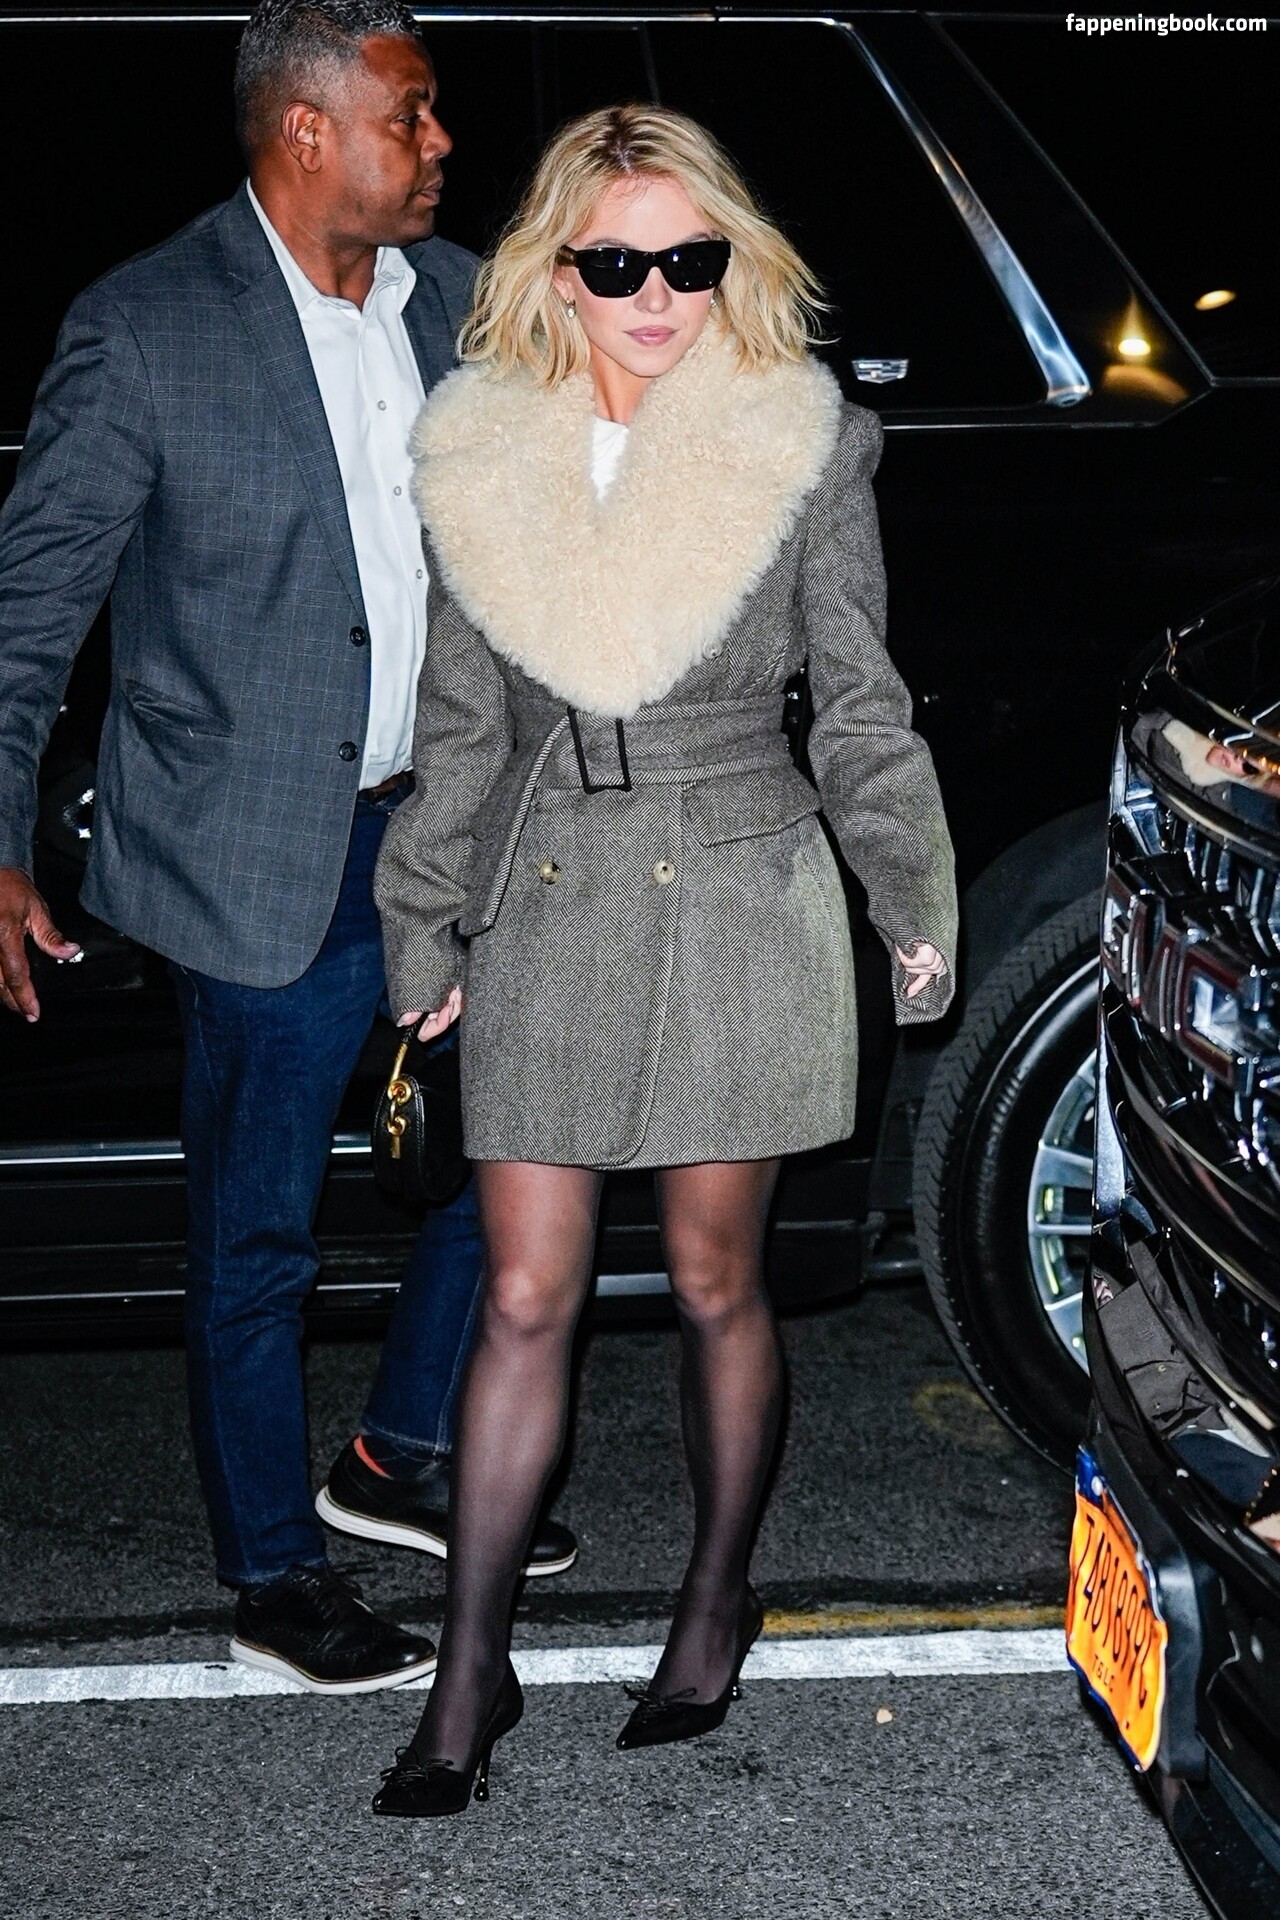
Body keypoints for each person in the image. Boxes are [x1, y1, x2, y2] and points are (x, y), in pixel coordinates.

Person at [369, 103, 957, 1815]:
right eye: (617, 264)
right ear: (555, 271)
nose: (656, 297)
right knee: (523, 1294)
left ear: (728, 262)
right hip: (552, 891)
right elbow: (459, 729)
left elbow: (859, 701)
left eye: (689, 261)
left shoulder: (800, 442)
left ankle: (714, 1599)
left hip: (743, 889)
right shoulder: (479, 452)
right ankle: (470, 1668)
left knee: (715, 1285)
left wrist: (911, 899)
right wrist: (426, 921)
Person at [0, 0, 574, 1697]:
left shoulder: (462, 301)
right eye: (414, 114)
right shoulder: (146, 328)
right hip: (257, 854)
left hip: (447, 833)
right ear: (307, 130)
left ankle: (398, 1452)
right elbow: (30, 616)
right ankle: (271, 1567)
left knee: (512, 1157)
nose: (443, 143)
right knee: (257, 1239)